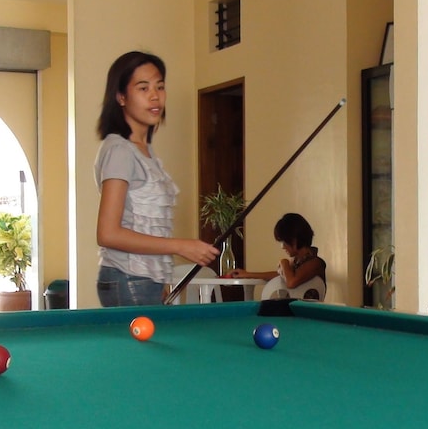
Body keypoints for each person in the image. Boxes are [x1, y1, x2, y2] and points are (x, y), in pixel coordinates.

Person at [94, 51, 219, 307]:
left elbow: (148, 225)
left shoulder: (144, 150)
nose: (155, 96)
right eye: (143, 88)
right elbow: (108, 233)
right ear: (121, 97)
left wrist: (159, 279)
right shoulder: (120, 150)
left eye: (160, 87)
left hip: (142, 280)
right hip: (128, 278)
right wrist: (180, 246)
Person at [230, 212, 326, 299]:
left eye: (284, 241)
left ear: (294, 239)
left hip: (307, 311)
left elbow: (291, 282)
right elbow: (280, 276)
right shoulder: (297, 261)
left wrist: (284, 262)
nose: (282, 246)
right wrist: (248, 274)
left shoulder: (316, 262)